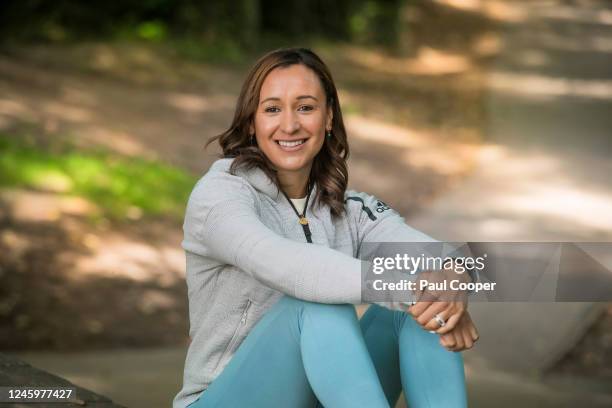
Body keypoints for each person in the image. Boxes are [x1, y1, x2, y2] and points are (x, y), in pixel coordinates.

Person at [174, 47, 479, 408]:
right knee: (319, 306)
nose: (289, 125)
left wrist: (452, 281)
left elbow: (437, 256)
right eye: (272, 109)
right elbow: (283, 264)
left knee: (421, 319)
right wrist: (416, 290)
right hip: (224, 398)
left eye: (305, 107)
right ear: (251, 122)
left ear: (329, 117)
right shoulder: (220, 196)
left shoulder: (351, 209)